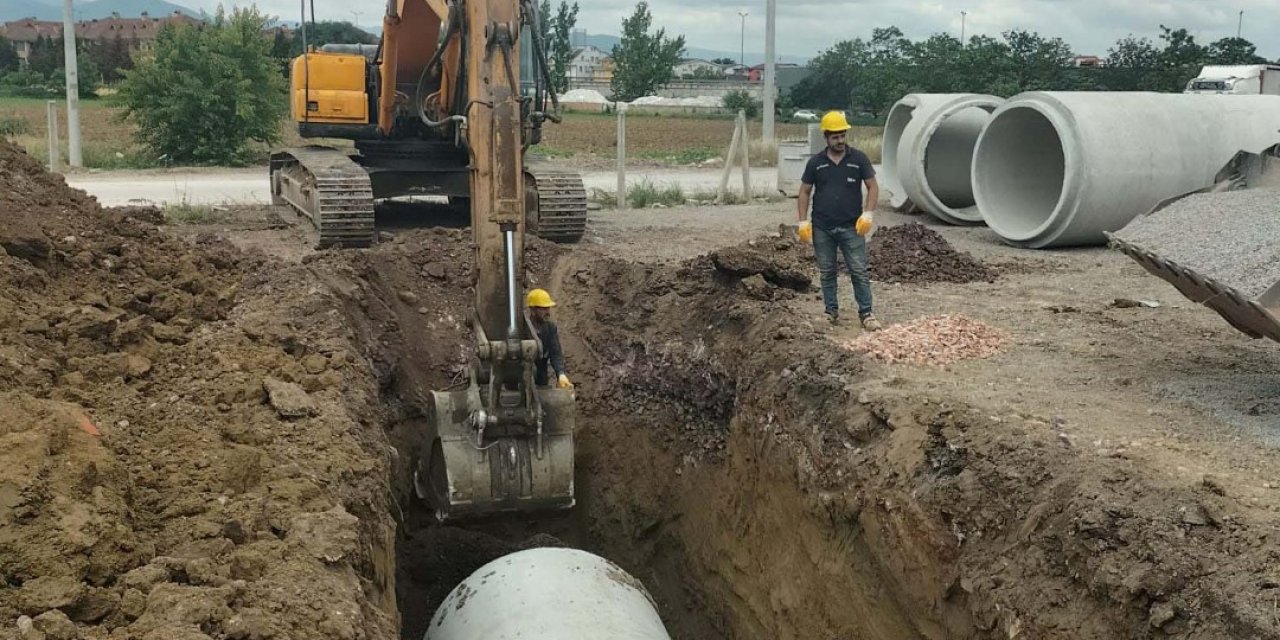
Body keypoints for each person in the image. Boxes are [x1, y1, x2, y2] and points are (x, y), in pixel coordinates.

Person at [796, 110, 882, 331]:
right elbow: (805, 191)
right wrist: (802, 221)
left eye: (843, 135)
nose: (840, 140)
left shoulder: (859, 159)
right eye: (835, 136)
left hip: (851, 226)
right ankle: (830, 312)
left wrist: (868, 213)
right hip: (822, 227)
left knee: (859, 270)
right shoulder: (816, 163)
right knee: (827, 272)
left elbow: (872, 186)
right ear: (826, 137)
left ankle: (867, 313)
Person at [526, 288, 573, 389]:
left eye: (548, 308)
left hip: (541, 381)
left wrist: (561, 374)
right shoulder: (523, 329)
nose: (547, 312)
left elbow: (555, 353)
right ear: (533, 310)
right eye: (543, 309)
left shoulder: (550, 329)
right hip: (522, 381)